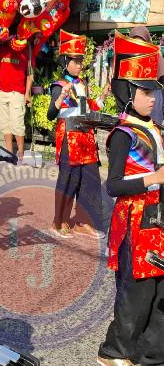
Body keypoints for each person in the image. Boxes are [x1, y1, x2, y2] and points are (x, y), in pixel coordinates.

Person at [97, 31, 164, 366]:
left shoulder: (156, 129)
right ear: (127, 91)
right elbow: (114, 186)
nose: (152, 98)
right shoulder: (123, 135)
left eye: (154, 90)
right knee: (135, 292)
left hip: (159, 218)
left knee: (160, 293)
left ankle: (152, 353)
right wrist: (154, 178)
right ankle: (115, 351)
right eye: (145, 91)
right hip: (136, 220)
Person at [46, 30, 110, 240]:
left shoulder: (82, 85)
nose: (79, 64)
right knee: (68, 181)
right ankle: (59, 222)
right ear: (65, 61)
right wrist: (60, 98)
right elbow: (50, 114)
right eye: (75, 60)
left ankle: (84, 222)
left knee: (90, 181)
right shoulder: (59, 86)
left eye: (81, 60)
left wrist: (102, 97)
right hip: (70, 140)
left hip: (87, 140)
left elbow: (88, 109)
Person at [0, 43, 34, 162]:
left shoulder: (27, 50)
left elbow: (30, 74)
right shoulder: (3, 48)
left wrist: (27, 93)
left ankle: (21, 153)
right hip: (2, 92)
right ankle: (9, 153)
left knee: (17, 125)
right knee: (5, 125)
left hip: (17, 93)